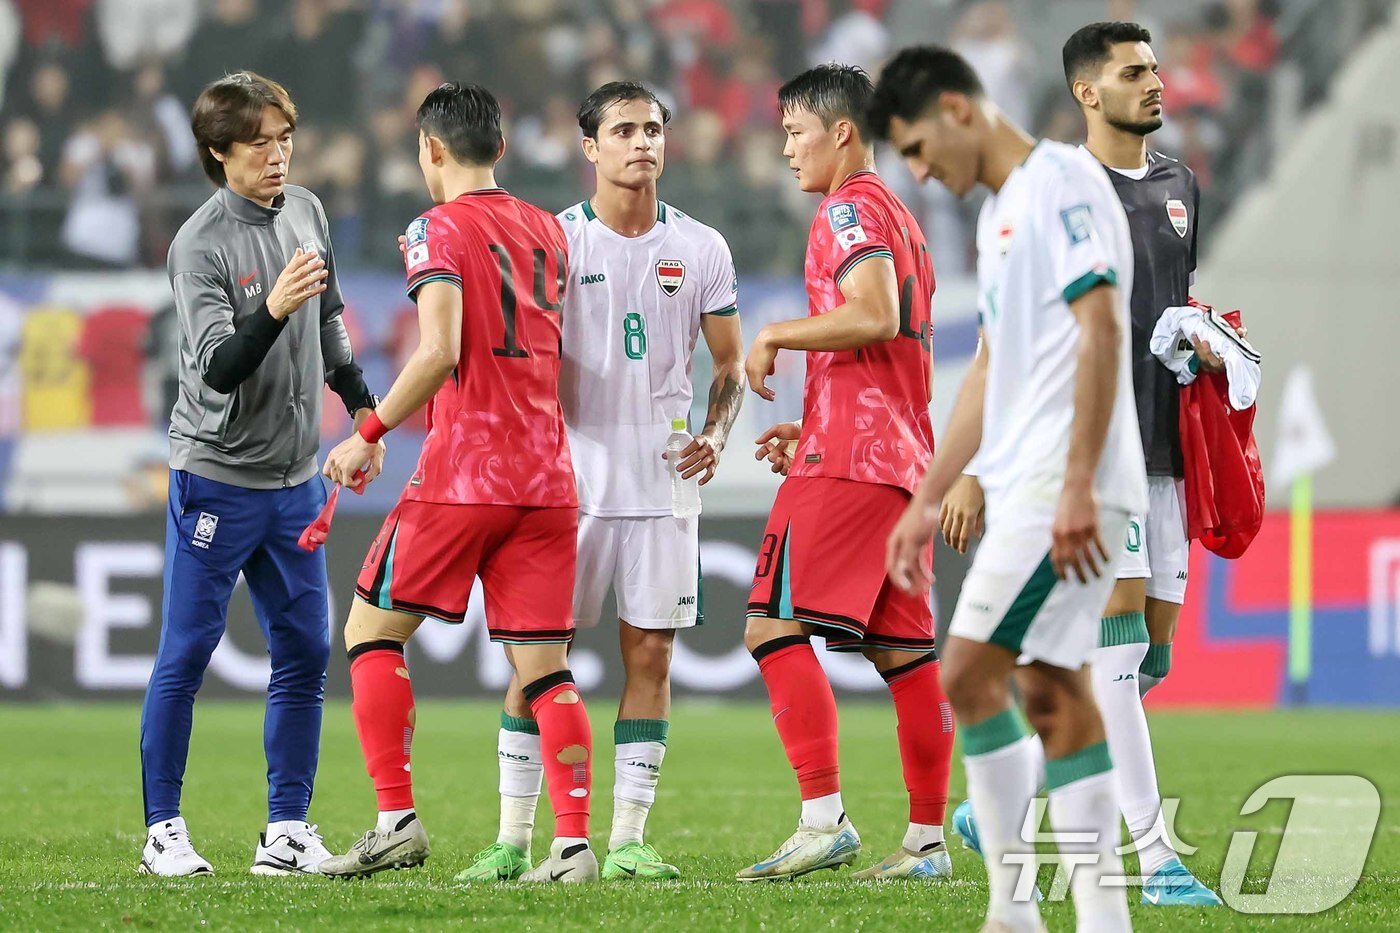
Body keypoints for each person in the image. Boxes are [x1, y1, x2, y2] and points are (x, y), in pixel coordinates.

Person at [941, 22, 1224, 907]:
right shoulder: (1057, 187)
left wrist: (1205, 342)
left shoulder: (1180, 184)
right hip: (1098, 453)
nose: (1155, 83)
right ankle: (1156, 857)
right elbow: (1008, 344)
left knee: (1147, 661)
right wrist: (980, 465)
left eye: (1155, 68)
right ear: (1086, 93)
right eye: (1133, 72)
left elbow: (1163, 309)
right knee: (1116, 646)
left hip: (1169, 447)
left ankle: (1006, 797)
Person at [874, 45, 1141, 932]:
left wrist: (1075, 486)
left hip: (1065, 484)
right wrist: (926, 497)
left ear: (958, 108)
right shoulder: (1000, 218)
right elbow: (987, 374)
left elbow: (1100, 327)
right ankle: (1094, 918)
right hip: (1035, 480)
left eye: (914, 149)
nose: (917, 171)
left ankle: (1013, 911)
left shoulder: (1058, 181)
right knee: (1052, 689)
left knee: (968, 671)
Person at [457, 81, 745, 884]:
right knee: (537, 663)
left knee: (649, 655)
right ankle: (514, 837)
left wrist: (716, 435)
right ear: (589, 148)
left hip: (662, 484)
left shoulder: (703, 247)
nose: (641, 142)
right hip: (566, 486)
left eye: (652, 128)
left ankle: (626, 841)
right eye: (623, 130)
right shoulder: (553, 241)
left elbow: (730, 365)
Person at [317, 83, 598, 884]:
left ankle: (395, 819)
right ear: (501, 150)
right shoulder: (550, 229)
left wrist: (367, 433)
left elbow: (440, 349)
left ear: (430, 151)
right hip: (547, 477)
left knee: (371, 633)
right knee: (544, 667)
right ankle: (573, 846)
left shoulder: (432, 228)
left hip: (465, 472)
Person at [140, 71, 381, 877]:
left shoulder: (308, 210)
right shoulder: (199, 244)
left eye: (285, 139)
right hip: (217, 476)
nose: (278, 157)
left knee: (306, 648)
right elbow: (216, 370)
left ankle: (286, 828)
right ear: (218, 153)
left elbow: (332, 317)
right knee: (189, 651)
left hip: (295, 480)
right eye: (259, 144)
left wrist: (362, 408)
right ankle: (162, 831)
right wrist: (273, 305)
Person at [737, 64, 955, 883]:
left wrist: (775, 335)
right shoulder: (904, 217)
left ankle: (823, 818)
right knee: (906, 654)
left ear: (841, 133)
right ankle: (928, 843)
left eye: (796, 132)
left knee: (769, 624)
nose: (787, 148)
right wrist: (814, 415)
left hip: (854, 463)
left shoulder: (850, 206)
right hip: (900, 456)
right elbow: (886, 351)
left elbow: (875, 314)